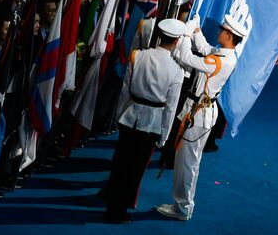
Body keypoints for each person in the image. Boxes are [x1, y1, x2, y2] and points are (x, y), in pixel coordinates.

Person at [156, 14, 247, 221]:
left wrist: (186, 35)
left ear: (229, 36)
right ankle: (181, 203)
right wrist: (196, 32)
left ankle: (183, 206)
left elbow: (188, 58)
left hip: (199, 114)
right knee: (186, 160)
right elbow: (206, 50)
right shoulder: (224, 55)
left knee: (188, 162)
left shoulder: (220, 61)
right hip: (199, 111)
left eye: (223, 30)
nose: (219, 32)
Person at [102, 18, 186, 224]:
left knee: (120, 162)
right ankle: (119, 211)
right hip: (152, 123)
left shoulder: (137, 56)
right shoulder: (177, 71)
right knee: (135, 169)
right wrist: (164, 136)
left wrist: (119, 116)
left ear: (159, 36)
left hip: (129, 116)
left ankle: (111, 202)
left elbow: (125, 90)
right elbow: (170, 108)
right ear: (176, 42)